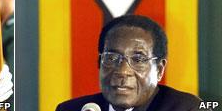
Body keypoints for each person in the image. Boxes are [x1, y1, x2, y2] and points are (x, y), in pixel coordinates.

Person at [55, 15, 201, 111]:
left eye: (138, 59)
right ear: (100, 63)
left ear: (159, 70)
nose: (123, 71)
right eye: (112, 58)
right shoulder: (72, 109)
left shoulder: (188, 108)